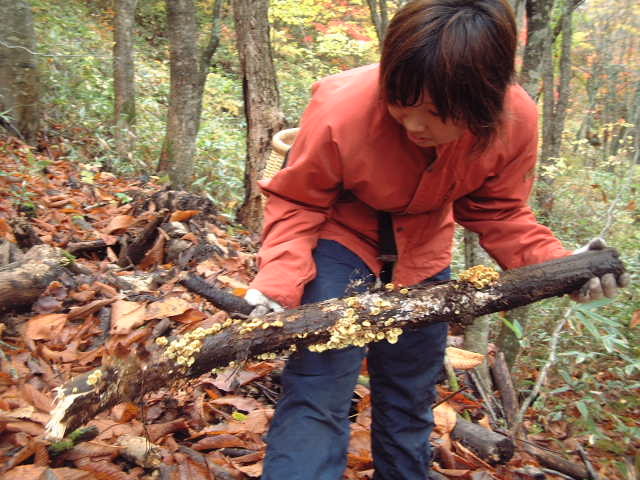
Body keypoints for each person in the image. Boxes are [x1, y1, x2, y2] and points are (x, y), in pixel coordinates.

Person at [243, 0, 629, 478]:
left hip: (423, 253)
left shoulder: (514, 120)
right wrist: (277, 281)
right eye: (400, 103)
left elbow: (499, 212)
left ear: (483, 102)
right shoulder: (342, 107)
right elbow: (298, 200)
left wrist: (562, 268)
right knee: (318, 390)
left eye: (435, 112)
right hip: (341, 238)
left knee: (409, 396)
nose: (413, 125)